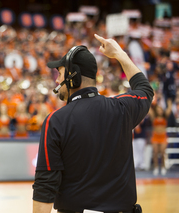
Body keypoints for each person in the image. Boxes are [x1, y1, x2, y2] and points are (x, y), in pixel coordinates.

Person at [32, 34, 153, 213]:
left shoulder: (55, 121)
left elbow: (45, 187)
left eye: (60, 73)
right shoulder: (122, 109)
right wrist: (119, 53)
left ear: (73, 76)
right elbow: (145, 90)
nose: (57, 80)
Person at [149, 98, 173, 176]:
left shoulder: (165, 117)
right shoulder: (154, 118)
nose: (159, 111)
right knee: (155, 153)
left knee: (163, 153)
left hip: (163, 137)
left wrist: (169, 103)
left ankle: (163, 167)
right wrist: (149, 101)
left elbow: (169, 109)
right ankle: (156, 167)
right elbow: (150, 111)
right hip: (155, 137)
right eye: (158, 109)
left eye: (161, 110)